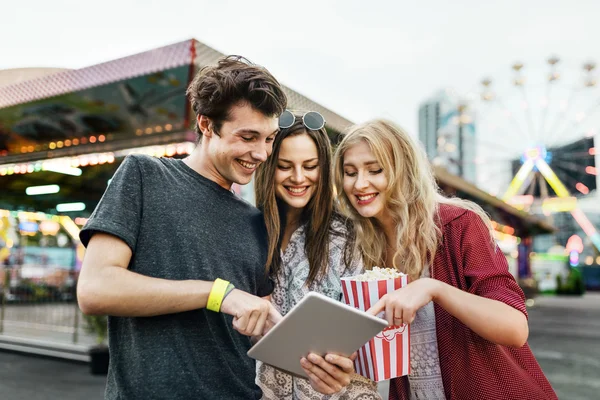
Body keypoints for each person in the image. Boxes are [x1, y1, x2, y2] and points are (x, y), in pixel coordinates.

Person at [77, 56, 353, 399]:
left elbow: (257, 330)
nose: (261, 153)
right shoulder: (144, 177)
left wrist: (317, 365)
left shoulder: (256, 222)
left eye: (268, 139)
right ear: (207, 125)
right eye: (248, 137)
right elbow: (95, 289)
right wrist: (218, 295)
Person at [332, 119, 558, 400]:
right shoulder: (362, 244)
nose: (359, 184)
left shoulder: (459, 224)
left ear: (403, 171)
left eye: (375, 170)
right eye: (349, 172)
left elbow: (515, 328)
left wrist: (433, 289)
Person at [254, 110, 381, 399]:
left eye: (310, 166)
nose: (299, 178)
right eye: (285, 166)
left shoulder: (350, 235)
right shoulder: (249, 230)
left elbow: (365, 327)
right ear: (267, 166)